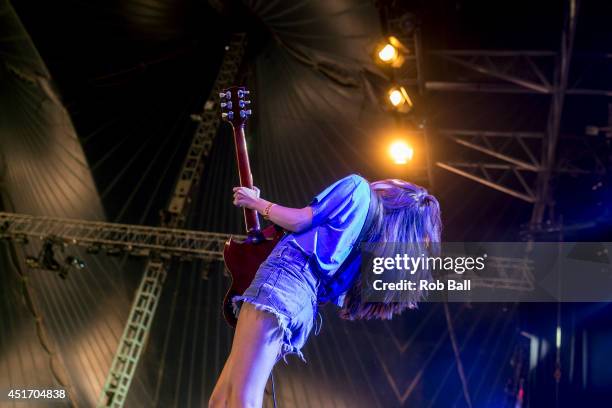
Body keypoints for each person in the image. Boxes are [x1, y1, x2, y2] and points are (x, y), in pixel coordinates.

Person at [209, 173, 442, 408]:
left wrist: (256, 203)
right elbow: (310, 244)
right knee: (220, 401)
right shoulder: (372, 241)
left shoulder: (358, 188)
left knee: (243, 398)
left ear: (393, 190)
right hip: (300, 305)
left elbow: (300, 221)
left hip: (281, 286)